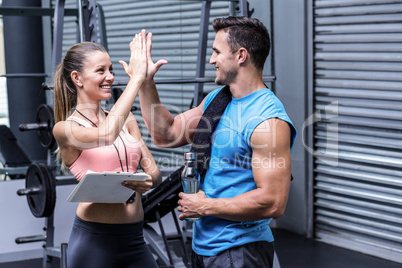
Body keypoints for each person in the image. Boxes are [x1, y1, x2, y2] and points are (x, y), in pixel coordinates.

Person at [139, 16, 297, 268]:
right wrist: (145, 82)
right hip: (204, 247)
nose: (211, 60)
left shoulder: (267, 120)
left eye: (216, 52)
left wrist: (206, 206)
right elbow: (166, 134)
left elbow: (273, 201)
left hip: (240, 250)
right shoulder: (217, 100)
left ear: (241, 55)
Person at [52, 30, 162, 268]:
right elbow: (105, 135)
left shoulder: (126, 119)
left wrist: (144, 182)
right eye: (101, 70)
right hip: (95, 243)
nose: (110, 76)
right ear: (77, 78)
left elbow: (154, 173)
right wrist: (136, 80)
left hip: (135, 239)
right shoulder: (65, 129)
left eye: (111, 69)